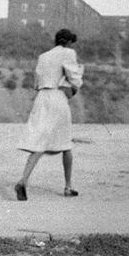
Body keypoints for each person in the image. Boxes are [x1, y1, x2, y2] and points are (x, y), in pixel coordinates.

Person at [15, 28, 83, 200]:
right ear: (68, 42)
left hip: (42, 97)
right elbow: (74, 76)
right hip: (57, 97)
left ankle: (23, 180)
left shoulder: (43, 56)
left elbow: (37, 82)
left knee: (40, 141)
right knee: (66, 143)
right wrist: (75, 85)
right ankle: (68, 186)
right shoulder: (68, 52)